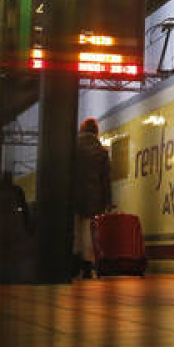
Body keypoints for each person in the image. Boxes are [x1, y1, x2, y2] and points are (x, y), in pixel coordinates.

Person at [73, 117, 112, 278]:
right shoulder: (102, 151)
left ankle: (74, 264)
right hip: (93, 196)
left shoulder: (73, 147)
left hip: (74, 195)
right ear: (96, 131)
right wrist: (107, 201)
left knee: (75, 230)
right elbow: (106, 179)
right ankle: (88, 265)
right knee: (88, 230)